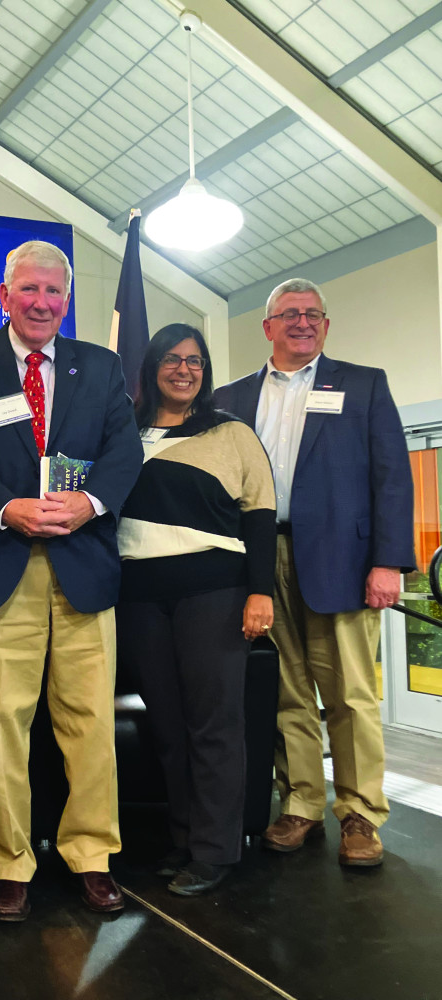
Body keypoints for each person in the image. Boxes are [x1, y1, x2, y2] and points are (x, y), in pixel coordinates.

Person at [0, 240, 143, 921]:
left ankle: (91, 855)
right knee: (0, 724)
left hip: (82, 562)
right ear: (4, 295)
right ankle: (10, 863)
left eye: (54, 291)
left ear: (66, 299)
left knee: (90, 724)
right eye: (29, 289)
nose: (42, 302)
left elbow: (124, 449)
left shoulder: (102, 366)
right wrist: (5, 506)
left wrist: (87, 504)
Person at [214, 278, 415, 866]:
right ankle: (299, 801)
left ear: (325, 326)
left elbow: (392, 478)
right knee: (285, 690)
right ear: (267, 326)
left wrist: (388, 561)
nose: (302, 322)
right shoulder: (229, 398)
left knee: (350, 693)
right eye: (289, 313)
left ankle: (359, 812)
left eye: (313, 314)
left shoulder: (364, 384)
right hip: (258, 558)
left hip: (345, 563)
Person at [115, 323, 276, 895]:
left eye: (196, 361)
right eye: (173, 359)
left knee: (214, 725)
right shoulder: (122, 433)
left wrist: (262, 592)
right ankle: (183, 839)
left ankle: (215, 850)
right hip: (138, 598)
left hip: (215, 592)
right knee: (168, 727)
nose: (185, 370)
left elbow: (260, 515)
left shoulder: (231, 433)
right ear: (152, 365)